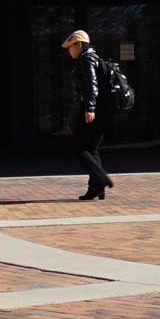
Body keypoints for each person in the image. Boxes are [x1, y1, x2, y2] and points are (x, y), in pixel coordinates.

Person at [61, 29, 115, 200]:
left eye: (71, 47)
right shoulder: (95, 58)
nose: (69, 50)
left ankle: (101, 179)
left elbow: (91, 85)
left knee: (79, 147)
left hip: (94, 111)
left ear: (79, 45)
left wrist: (89, 108)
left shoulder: (86, 59)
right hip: (104, 110)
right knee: (92, 148)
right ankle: (96, 188)